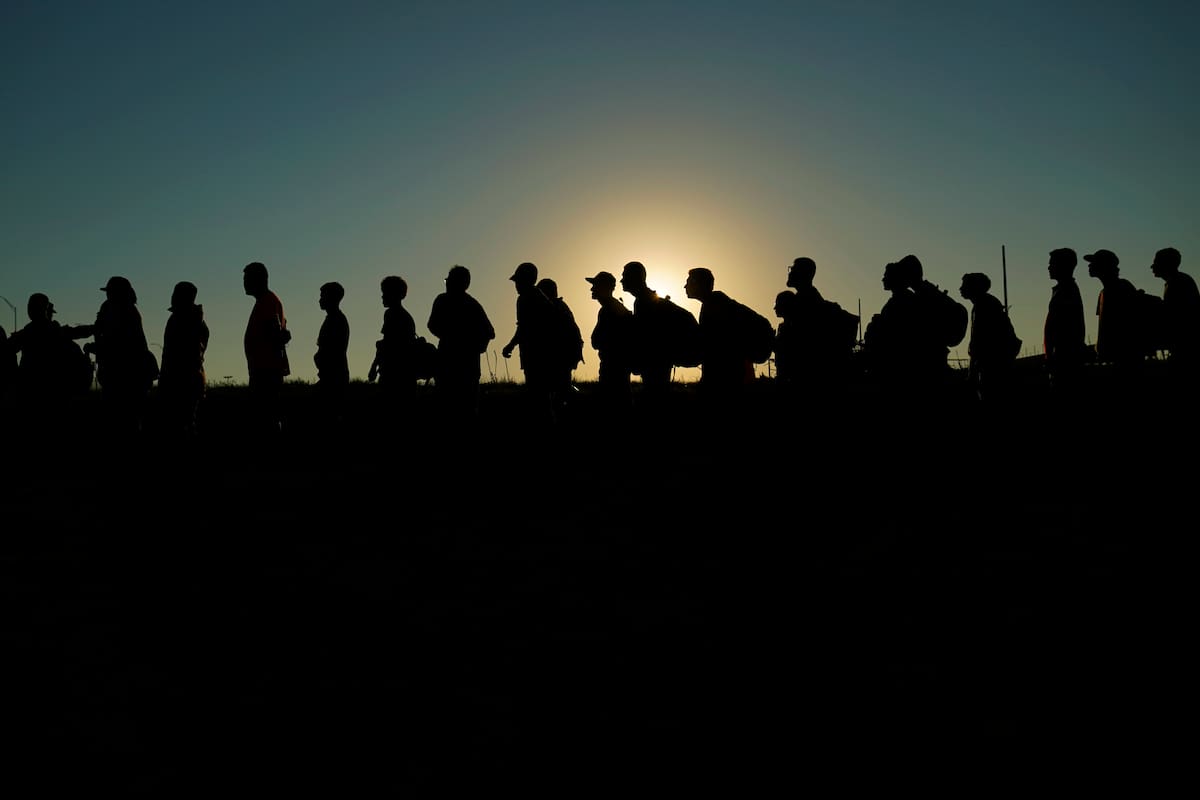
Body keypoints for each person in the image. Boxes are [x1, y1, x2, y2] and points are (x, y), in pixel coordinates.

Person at [7, 293, 94, 446]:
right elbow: (77, 332)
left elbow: (7, 349)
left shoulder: (29, 332)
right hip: (53, 394)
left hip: (33, 394)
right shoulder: (52, 331)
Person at [88, 276, 157, 438]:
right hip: (122, 376)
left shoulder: (123, 312)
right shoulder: (118, 309)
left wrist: (96, 347)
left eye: (110, 292)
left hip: (127, 377)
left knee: (124, 423)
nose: (107, 296)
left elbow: (118, 344)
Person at [683, 267, 755, 418]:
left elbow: (712, 347)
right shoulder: (715, 303)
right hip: (726, 380)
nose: (685, 286)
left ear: (697, 283)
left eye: (688, 281)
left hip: (723, 384)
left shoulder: (715, 306)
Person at [427, 264, 496, 424]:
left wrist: (453, 338)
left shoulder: (444, 301)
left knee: (453, 409)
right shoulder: (472, 304)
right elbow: (490, 332)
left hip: (457, 364)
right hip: (460, 364)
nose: (446, 284)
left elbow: (432, 325)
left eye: (448, 280)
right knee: (462, 409)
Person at [1085, 249, 1146, 404]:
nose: (1090, 266)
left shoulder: (1122, 288)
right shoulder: (1103, 293)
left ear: (1104, 266)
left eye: (1094, 263)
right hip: (1114, 361)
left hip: (1127, 361)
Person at [501, 262, 558, 426]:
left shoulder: (525, 299)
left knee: (538, 398)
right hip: (544, 355)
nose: (516, 286)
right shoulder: (541, 298)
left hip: (535, 356)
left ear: (526, 280)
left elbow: (524, 327)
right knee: (543, 397)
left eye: (518, 281)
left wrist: (510, 345)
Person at [242, 261, 292, 436]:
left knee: (265, 418)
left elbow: (275, 335)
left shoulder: (269, 302)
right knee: (264, 417)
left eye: (247, 278)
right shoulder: (265, 302)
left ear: (259, 279)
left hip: (266, 371)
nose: (244, 283)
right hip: (262, 370)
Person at [959, 272, 1020, 407]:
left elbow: (980, 342)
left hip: (992, 368)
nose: (961, 288)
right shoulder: (984, 304)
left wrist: (973, 371)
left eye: (965, 285)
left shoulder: (984, 306)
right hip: (990, 366)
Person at [158, 280, 210, 437]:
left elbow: (179, 356)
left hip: (180, 383)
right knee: (186, 424)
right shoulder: (195, 321)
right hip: (190, 381)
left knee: (180, 427)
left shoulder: (182, 321)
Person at [367, 275, 419, 428]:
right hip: (404, 376)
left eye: (385, 292)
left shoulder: (392, 315)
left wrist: (373, 366)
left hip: (395, 376)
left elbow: (386, 344)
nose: (382, 296)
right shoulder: (404, 316)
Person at [1149, 247, 1200, 397]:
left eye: (1156, 262)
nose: (1152, 266)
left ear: (1166, 264)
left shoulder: (1177, 283)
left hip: (1186, 349)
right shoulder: (1180, 281)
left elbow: (1176, 316)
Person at [1043, 247, 1089, 405]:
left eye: (1052, 264)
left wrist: (1055, 356)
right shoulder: (1064, 290)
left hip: (1064, 360)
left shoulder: (1066, 291)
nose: (1048, 267)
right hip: (1062, 358)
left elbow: (1065, 328)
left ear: (1062, 266)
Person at [585, 270, 634, 417]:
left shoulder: (608, 309)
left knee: (613, 407)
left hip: (613, 366)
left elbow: (598, 340)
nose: (592, 289)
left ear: (605, 287)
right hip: (616, 365)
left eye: (595, 285)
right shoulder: (613, 307)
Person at [536, 276, 584, 418]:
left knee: (559, 389)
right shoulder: (561, 307)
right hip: (566, 354)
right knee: (560, 388)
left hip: (561, 355)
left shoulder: (554, 308)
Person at [314, 281, 350, 431]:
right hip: (330, 376)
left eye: (323, 296)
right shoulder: (333, 319)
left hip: (333, 378)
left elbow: (333, 350)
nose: (320, 299)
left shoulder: (336, 320)